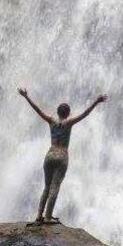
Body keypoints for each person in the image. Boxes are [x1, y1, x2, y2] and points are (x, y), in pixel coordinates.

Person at [18, 87, 107, 225]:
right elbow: (85, 113)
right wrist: (96, 101)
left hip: (50, 154)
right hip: (62, 156)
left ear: (57, 112)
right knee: (55, 187)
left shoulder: (51, 120)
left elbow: (37, 110)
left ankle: (39, 215)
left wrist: (26, 97)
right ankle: (48, 217)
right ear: (68, 113)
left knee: (46, 187)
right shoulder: (69, 123)